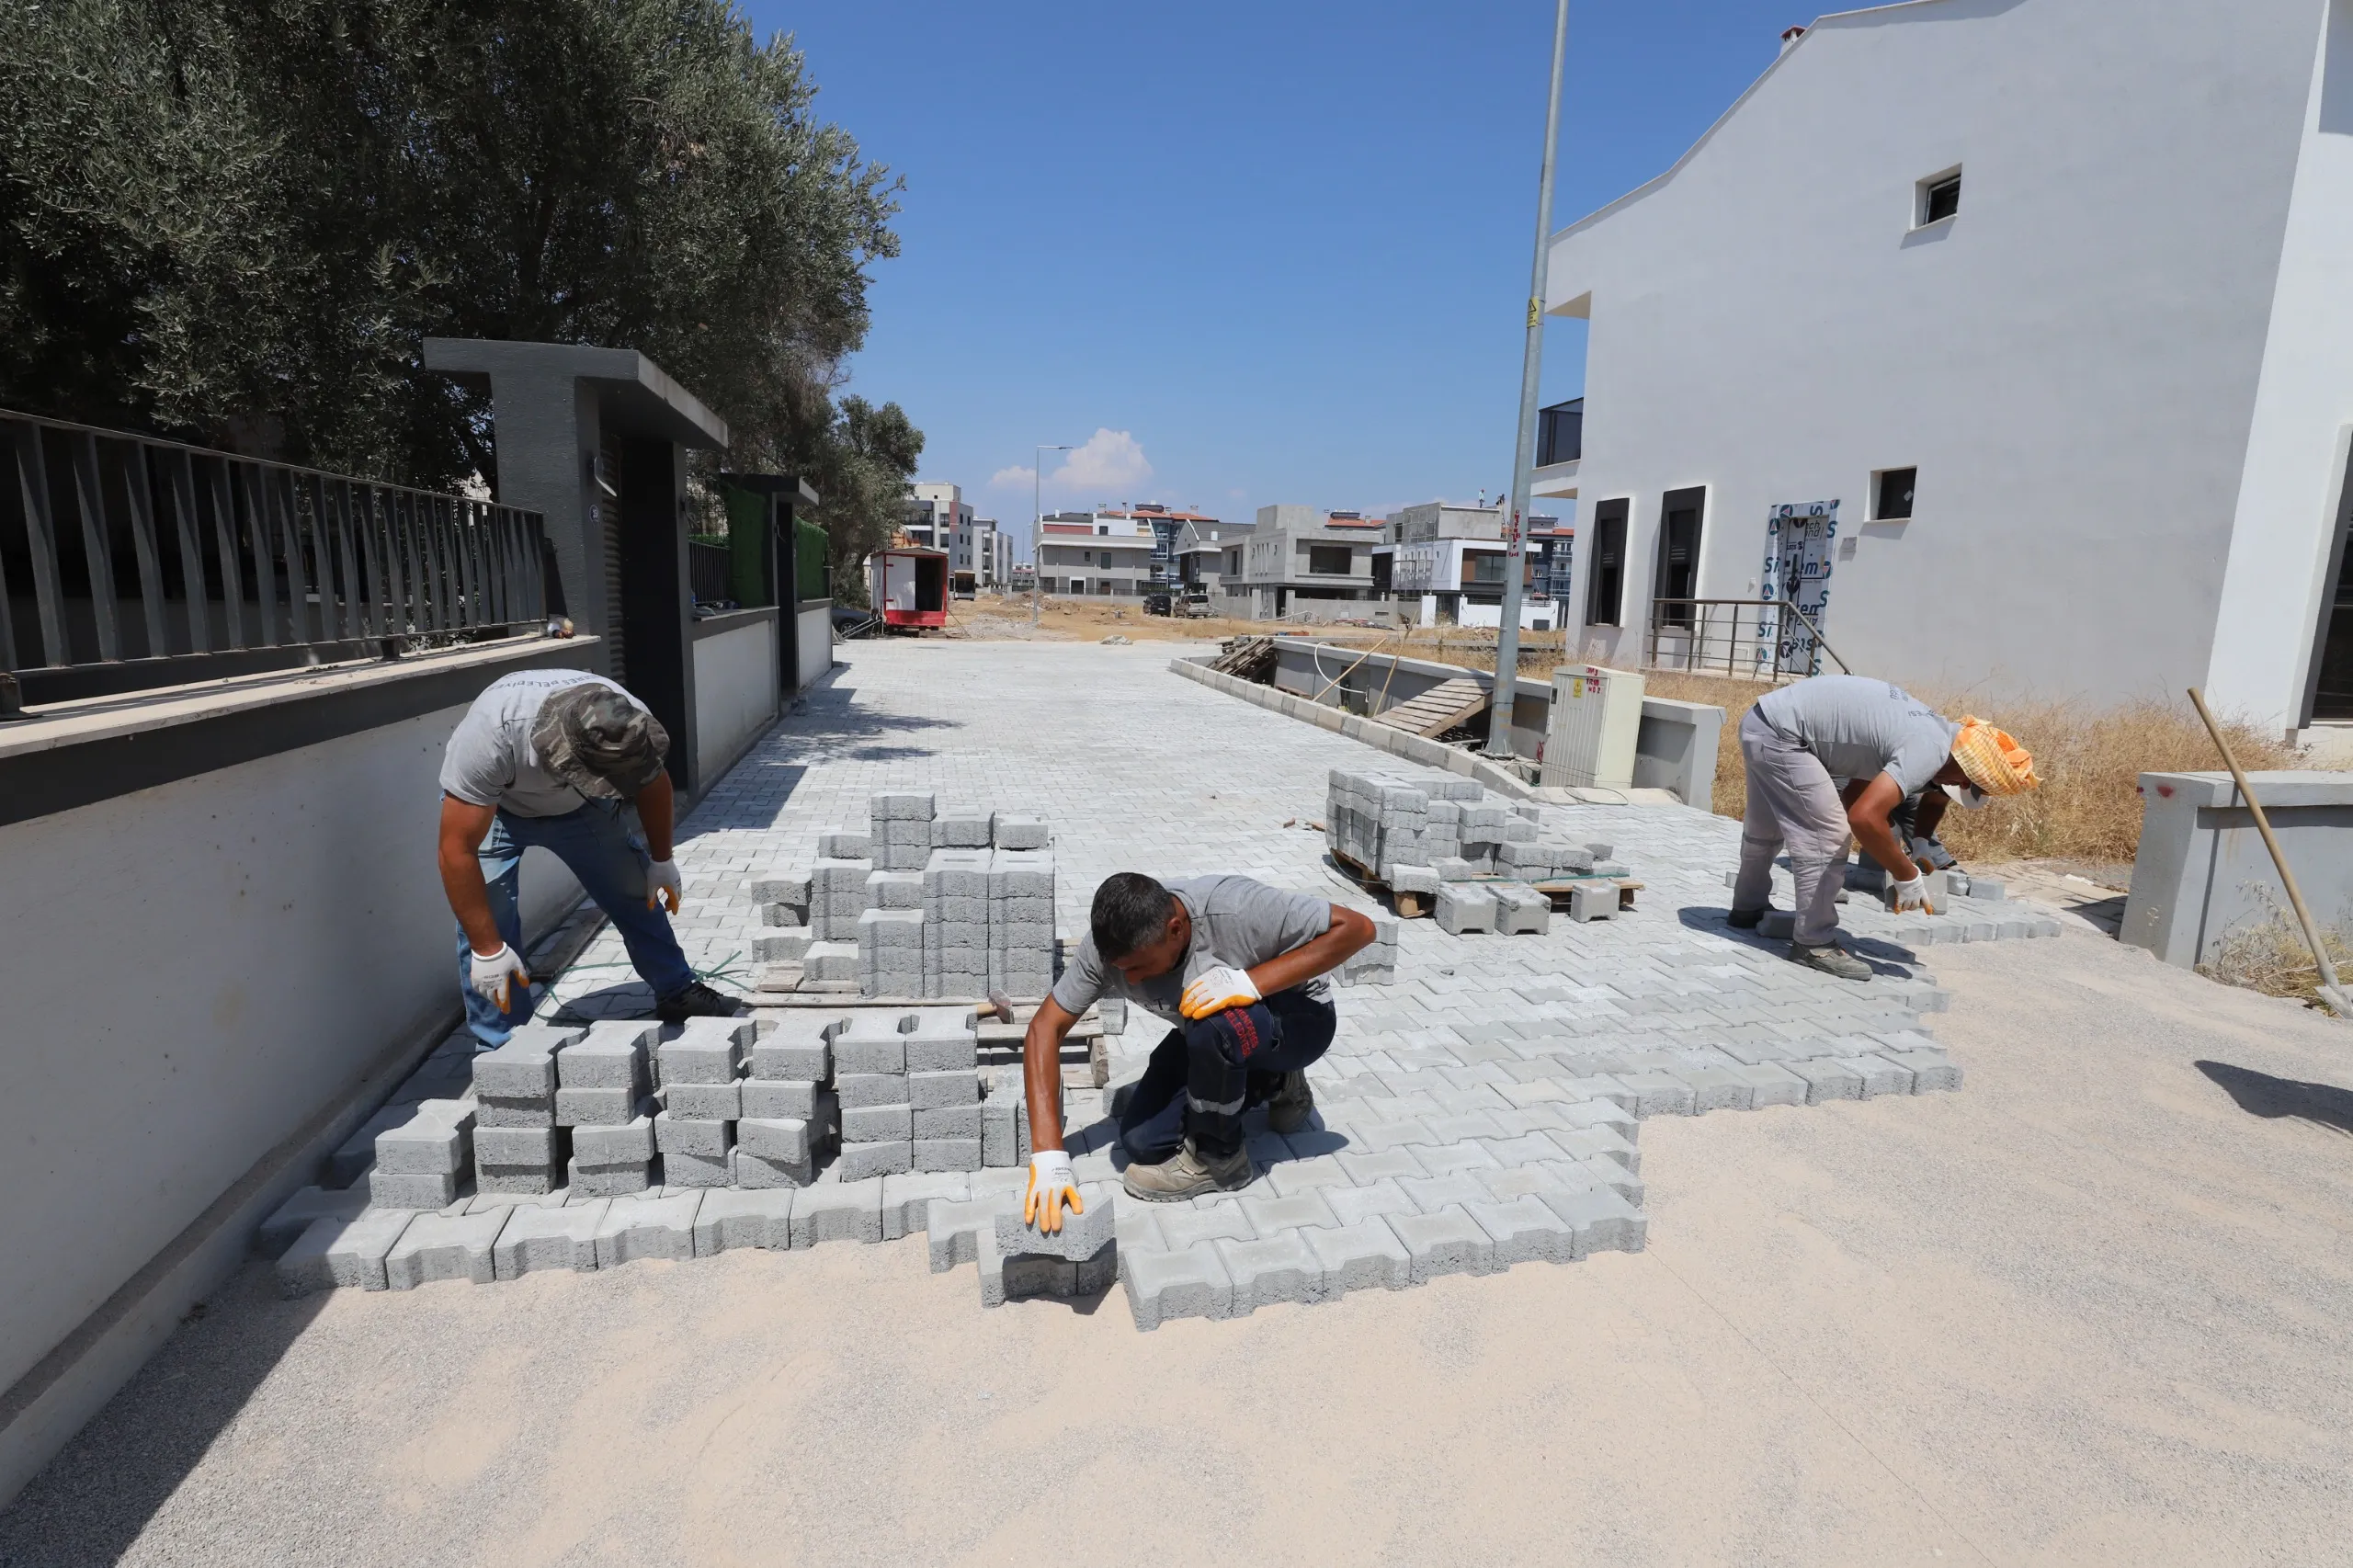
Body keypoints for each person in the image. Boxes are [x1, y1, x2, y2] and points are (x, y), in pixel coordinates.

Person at [1017, 873, 1376, 1225]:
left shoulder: (1237, 909)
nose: (1132, 980)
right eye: (1121, 970)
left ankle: (1221, 1161)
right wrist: (1049, 1155)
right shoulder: (1107, 950)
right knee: (1142, 1141)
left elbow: (1359, 928)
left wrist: (1250, 982)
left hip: (1301, 1022)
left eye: (1139, 967)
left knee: (1216, 1023)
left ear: (1175, 929)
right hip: (1216, 1032)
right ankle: (1275, 1082)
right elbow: (1045, 1029)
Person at [437, 667, 741, 1045]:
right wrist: (485, 948)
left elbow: (653, 785)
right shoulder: (492, 736)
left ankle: (677, 990)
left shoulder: (626, 718)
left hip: (581, 810)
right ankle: (503, 1046)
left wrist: (661, 860)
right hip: (499, 810)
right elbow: (456, 850)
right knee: (487, 920)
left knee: (634, 889)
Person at [1730, 674, 2039, 980]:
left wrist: (1899, 850)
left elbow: (1854, 796)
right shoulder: (1929, 750)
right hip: (1783, 734)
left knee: (1766, 825)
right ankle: (1814, 943)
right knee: (1828, 835)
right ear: (1965, 768)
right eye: (1966, 781)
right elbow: (1862, 818)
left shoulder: (1932, 732)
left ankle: (1748, 907)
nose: (1958, 785)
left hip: (1766, 721)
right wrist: (1907, 874)